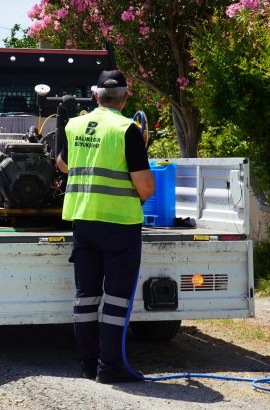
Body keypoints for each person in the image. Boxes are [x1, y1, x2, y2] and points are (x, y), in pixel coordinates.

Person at [56, 69, 155, 384]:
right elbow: (146, 188)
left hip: (83, 220)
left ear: (96, 96)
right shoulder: (128, 129)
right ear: (125, 98)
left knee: (85, 297)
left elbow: (62, 163)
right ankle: (109, 368)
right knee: (115, 299)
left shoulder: (75, 125)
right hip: (120, 224)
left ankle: (87, 365)